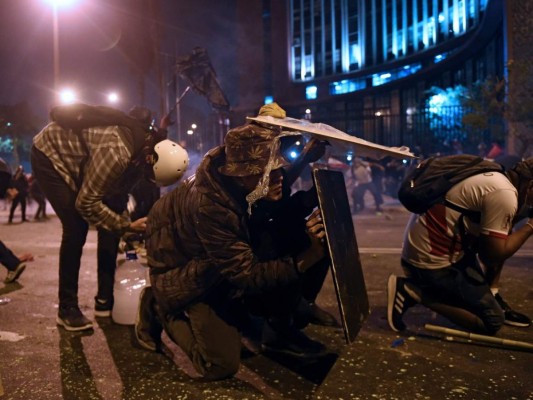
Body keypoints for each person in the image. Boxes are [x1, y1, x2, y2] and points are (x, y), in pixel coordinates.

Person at [136, 103, 338, 381]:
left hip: (213, 259)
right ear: (243, 175)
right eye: (271, 172)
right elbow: (246, 274)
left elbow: (267, 188)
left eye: (279, 169)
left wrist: (303, 160)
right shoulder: (212, 207)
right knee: (220, 364)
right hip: (185, 273)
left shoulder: (239, 177)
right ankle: (160, 307)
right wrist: (308, 257)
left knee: (289, 233)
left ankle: (277, 327)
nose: (279, 177)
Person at [31, 103, 188, 331]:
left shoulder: (146, 148)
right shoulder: (118, 152)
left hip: (82, 160)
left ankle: (104, 301)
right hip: (51, 155)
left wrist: (125, 226)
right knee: (76, 227)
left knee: (112, 217)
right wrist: (125, 225)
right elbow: (86, 203)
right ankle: (67, 308)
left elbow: (117, 197)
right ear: (150, 162)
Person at [388, 158, 533, 335]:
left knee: (500, 233)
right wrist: (530, 227)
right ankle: (413, 291)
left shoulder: (496, 176)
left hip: (434, 251)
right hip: (431, 265)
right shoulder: (504, 194)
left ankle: (488, 294)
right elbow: (492, 256)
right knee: (492, 320)